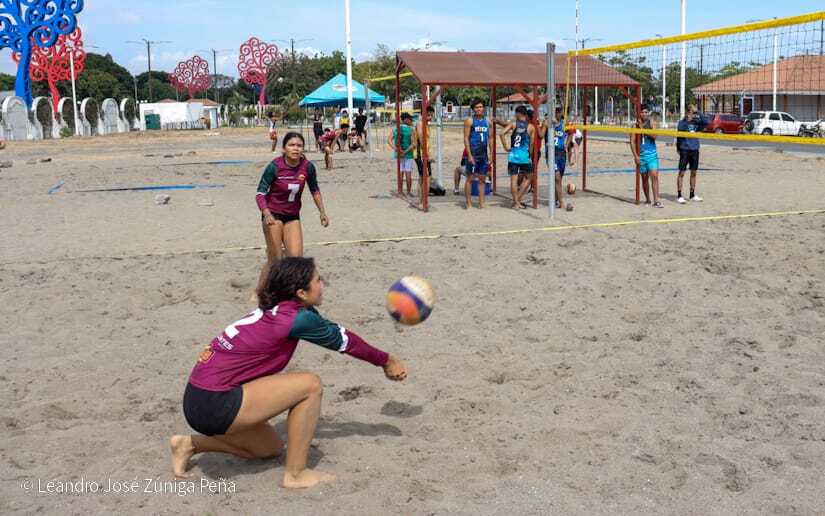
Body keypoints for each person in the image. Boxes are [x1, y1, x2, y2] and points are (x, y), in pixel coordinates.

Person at [170, 257, 408, 489]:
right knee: (310, 385)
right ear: (301, 293)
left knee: (269, 449)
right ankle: (296, 474)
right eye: (318, 280)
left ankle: (190, 445)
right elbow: (346, 341)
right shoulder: (296, 319)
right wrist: (387, 361)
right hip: (215, 402)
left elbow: (333, 330)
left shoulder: (277, 307)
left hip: (196, 397)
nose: (322, 284)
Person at [254, 132, 330, 297]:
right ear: (284, 148)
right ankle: (259, 292)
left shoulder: (307, 167)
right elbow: (260, 193)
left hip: (292, 216)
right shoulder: (274, 166)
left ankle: (290, 295)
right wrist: (266, 213)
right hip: (273, 215)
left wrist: (322, 212)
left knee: (296, 260)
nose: (295, 148)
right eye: (291, 145)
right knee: (275, 260)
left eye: (299, 145)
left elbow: (315, 190)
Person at [499, 106, 536, 209]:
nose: (515, 115)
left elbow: (501, 133)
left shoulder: (513, 124)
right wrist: (530, 155)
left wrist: (506, 147)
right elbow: (532, 144)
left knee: (513, 180)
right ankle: (518, 200)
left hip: (513, 156)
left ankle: (516, 202)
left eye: (515, 114)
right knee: (529, 177)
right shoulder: (531, 127)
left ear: (519, 114)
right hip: (524, 156)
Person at [630, 104, 663, 208]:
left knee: (654, 176)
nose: (644, 114)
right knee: (644, 179)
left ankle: (656, 200)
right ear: (638, 113)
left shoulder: (652, 122)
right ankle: (648, 200)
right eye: (642, 112)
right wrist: (635, 156)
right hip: (641, 156)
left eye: (645, 112)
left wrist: (642, 128)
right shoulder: (634, 126)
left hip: (652, 155)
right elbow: (632, 142)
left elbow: (654, 136)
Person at [463, 99, 492, 209]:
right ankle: (469, 203)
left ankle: (481, 202)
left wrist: (491, 153)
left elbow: (490, 138)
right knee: (470, 178)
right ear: (473, 109)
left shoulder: (487, 121)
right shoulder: (469, 121)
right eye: (476, 107)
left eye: (480, 107)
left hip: (483, 155)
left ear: (483, 108)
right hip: (473, 153)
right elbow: (465, 138)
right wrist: (469, 155)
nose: (479, 109)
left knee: (482, 179)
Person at [676, 104, 707, 204]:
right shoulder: (682, 122)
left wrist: (698, 111)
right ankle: (679, 195)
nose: (692, 114)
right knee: (682, 172)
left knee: (693, 172)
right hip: (684, 149)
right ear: (687, 112)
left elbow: (706, 122)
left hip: (694, 149)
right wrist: (688, 119)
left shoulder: (697, 122)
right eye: (691, 112)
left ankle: (692, 194)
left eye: (693, 113)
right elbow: (680, 129)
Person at [541, 108, 569, 209]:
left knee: (559, 179)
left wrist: (566, 144)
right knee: (557, 178)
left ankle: (555, 200)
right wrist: (544, 125)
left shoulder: (564, 123)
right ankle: (561, 202)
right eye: (555, 111)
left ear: (561, 112)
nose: (557, 113)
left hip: (562, 154)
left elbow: (571, 132)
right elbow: (540, 135)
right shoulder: (548, 123)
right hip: (552, 154)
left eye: (559, 111)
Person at [390, 112, 415, 196]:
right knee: (408, 173)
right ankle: (408, 191)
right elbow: (413, 144)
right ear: (406, 120)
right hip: (408, 154)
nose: (411, 121)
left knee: (400, 172)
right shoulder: (411, 129)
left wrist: (395, 149)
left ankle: (400, 191)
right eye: (410, 119)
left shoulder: (396, 129)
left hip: (398, 154)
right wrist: (405, 152)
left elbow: (388, 140)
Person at [413, 106, 435, 197]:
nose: (430, 117)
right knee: (426, 177)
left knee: (423, 177)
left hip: (423, 153)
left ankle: (422, 200)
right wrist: (426, 154)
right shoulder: (420, 124)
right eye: (428, 115)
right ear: (423, 114)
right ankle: (423, 200)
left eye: (431, 115)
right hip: (420, 154)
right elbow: (421, 139)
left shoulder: (425, 124)